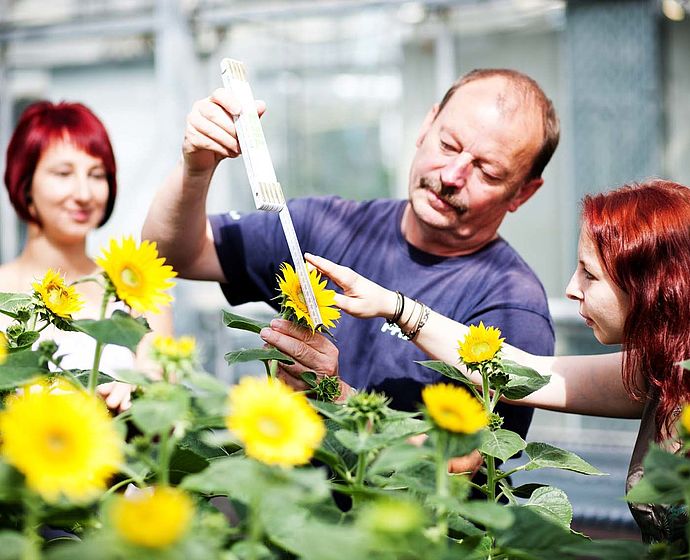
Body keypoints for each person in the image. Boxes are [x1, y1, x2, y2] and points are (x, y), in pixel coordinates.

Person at [142, 68, 560, 469]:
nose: (452, 175)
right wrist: (196, 169)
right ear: (427, 124)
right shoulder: (325, 227)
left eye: (486, 170)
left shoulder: (512, 304)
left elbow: (469, 463)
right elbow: (172, 254)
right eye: (449, 145)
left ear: (523, 192)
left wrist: (335, 398)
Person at [305, 179, 690, 543]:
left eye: (590, 274)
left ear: (653, 288)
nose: (571, 289)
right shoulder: (662, 369)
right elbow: (524, 371)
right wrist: (394, 306)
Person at [1, 101, 172, 411]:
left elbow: (163, 392)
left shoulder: (139, 291)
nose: (83, 193)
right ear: (25, 186)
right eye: (63, 173)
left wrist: (142, 387)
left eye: (96, 175)